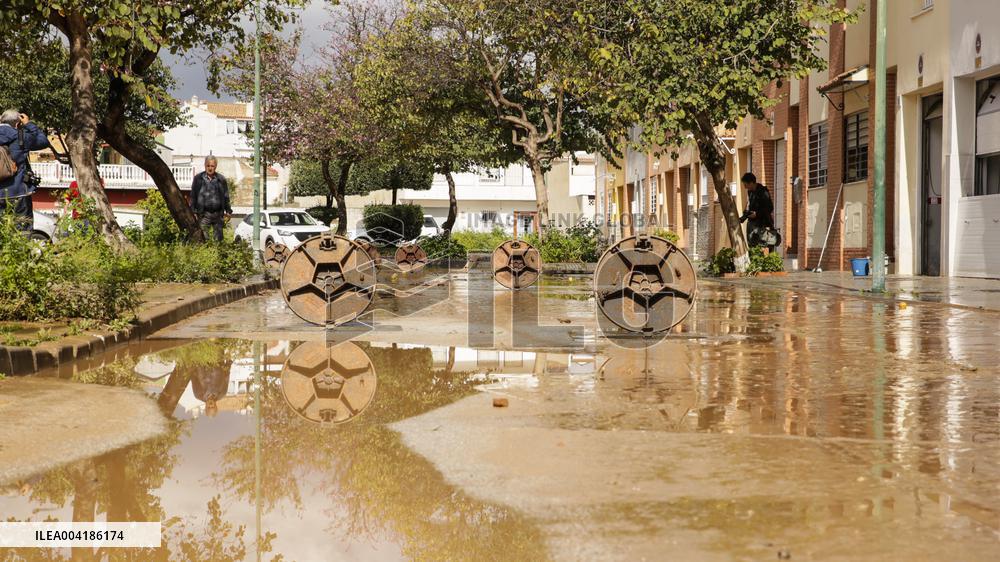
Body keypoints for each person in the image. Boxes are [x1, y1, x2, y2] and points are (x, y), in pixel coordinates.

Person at [0, 110, 50, 231]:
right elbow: (43, 141)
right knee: (22, 230)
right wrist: (29, 124)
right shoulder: (21, 136)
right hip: (18, 192)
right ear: (18, 124)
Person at [190, 155, 232, 241]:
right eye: (208, 166)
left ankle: (217, 254)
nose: (210, 168)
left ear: (215, 166)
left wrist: (228, 211)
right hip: (204, 214)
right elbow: (193, 195)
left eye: (212, 166)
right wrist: (193, 211)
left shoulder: (221, 179)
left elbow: (226, 196)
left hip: (218, 214)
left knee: (219, 240)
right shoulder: (198, 178)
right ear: (205, 165)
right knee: (204, 239)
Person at [739, 172, 775, 250]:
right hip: (753, 224)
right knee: (752, 246)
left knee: (765, 244)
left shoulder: (763, 192)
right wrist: (743, 217)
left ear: (751, 183)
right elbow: (750, 207)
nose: (745, 187)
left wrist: (757, 214)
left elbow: (770, 208)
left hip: (763, 223)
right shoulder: (750, 192)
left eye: (746, 185)